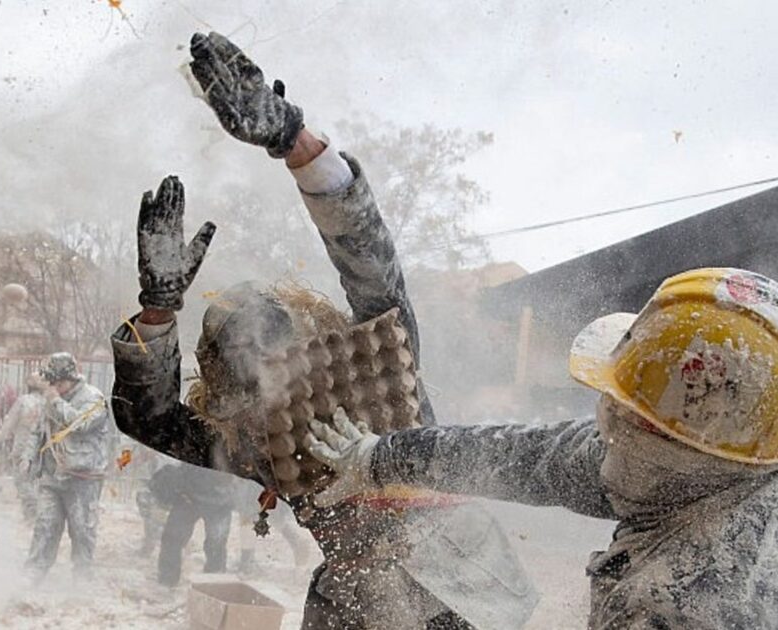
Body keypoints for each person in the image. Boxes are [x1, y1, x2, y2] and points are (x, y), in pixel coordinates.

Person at [110, 32, 526, 629]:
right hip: (357, 598)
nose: (262, 366)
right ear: (221, 376)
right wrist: (157, 308)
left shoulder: (376, 365)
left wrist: (294, 142)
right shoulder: (251, 440)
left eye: (271, 345)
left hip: (461, 589)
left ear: (309, 335)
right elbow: (148, 419)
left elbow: (369, 262)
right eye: (241, 359)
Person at [306, 268, 778, 629]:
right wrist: (381, 458)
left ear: (664, 442)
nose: (604, 424)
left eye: (622, 412)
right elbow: (528, 458)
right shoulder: (723, 462)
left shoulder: (675, 602)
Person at [21, 352, 112, 581]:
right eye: (52, 384)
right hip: (52, 476)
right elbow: (39, 429)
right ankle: (34, 573)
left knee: (81, 530)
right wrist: (28, 456)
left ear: (70, 379)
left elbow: (77, 425)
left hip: (83, 478)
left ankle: (81, 578)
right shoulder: (52, 399)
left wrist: (55, 401)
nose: (55, 388)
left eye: (58, 383)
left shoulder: (93, 399)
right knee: (45, 525)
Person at [150, 462, 238, 587]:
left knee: (215, 545)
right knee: (174, 540)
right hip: (194, 495)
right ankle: (168, 580)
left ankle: (212, 585)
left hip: (214, 497)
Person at [0, 372, 50, 521]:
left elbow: (10, 422)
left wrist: (1, 437)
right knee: (36, 481)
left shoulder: (23, 401)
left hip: (22, 447)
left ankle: (32, 511)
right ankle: (34, 512)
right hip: (42, 448)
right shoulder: (47, 402)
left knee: (22, 481)